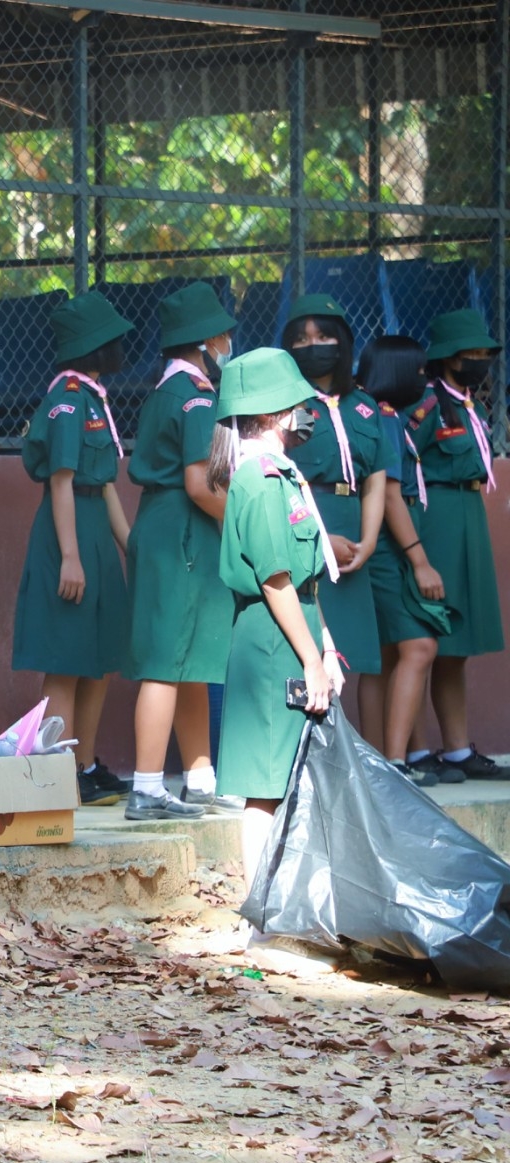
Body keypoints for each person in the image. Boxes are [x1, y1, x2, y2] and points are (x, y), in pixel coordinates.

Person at [210, 348, 343, 880]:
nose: (305, 411)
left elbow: (306, 581)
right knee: (266, 784)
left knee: (294, 777)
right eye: (296, 402)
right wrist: (310, 659)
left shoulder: (281, 474)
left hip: (297, 628)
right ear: (271, 412)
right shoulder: (260, 480)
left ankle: (281, 906)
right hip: (272, 641)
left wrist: (326, 649)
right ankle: (257, 916)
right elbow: (274, 580)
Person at [11, 290, 134, 806]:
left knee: (97, 657)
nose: (119, 349)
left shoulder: (94, 397)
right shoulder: (65, 398)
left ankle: (82, 765)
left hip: (96, 535)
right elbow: (62, 482)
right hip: (69, 535)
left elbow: (104, 483)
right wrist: (70, 556)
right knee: (65, 658)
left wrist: (129, 545)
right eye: (110, 341)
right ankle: (55, 769)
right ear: (90, 346)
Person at [123, 283, 240, 820]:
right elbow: (199, 483)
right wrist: (242, 522)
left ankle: (200, 778)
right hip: (184, 533)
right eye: (224, 332)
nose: (229, 340)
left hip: (169, 526)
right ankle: (147, 787)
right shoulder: (195, 395)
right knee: (167, 660)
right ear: (206, 339)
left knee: (191, 657)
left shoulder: (169, 389)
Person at [401, 308, 505, 782]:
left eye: (486, 353)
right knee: (427, 639)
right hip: (435, 517)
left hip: (468, 521)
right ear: (447, 357)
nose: (481, 360)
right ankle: (418, 750)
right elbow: (403, 468)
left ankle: (458, 750)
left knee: (456, 646)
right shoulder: (423, 405)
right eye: (472, 354)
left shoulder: (471, 404)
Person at [280, 295, 390, 735]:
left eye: (324, 335)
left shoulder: (363, 404)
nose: (314, 345)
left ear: (342, 342)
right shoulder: (284, 405)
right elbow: (283, 478)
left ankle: (371, 758)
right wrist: (324, 540)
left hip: (355, 534)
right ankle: (314, 757)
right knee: (315, 650)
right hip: (307, 526)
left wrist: (366, 542)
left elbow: (377, 478)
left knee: (360, 655)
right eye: (302, 338)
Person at [351, 335, 450, 784]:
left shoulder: (369, 409)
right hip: (390, 548)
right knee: (419, 647)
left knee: (386, 655)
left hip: (380, 544)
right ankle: (393, 762)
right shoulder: (385, 417)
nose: (423, 378)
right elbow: (390, 493)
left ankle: (378, 762)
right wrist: (419, 560)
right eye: (417, 370)